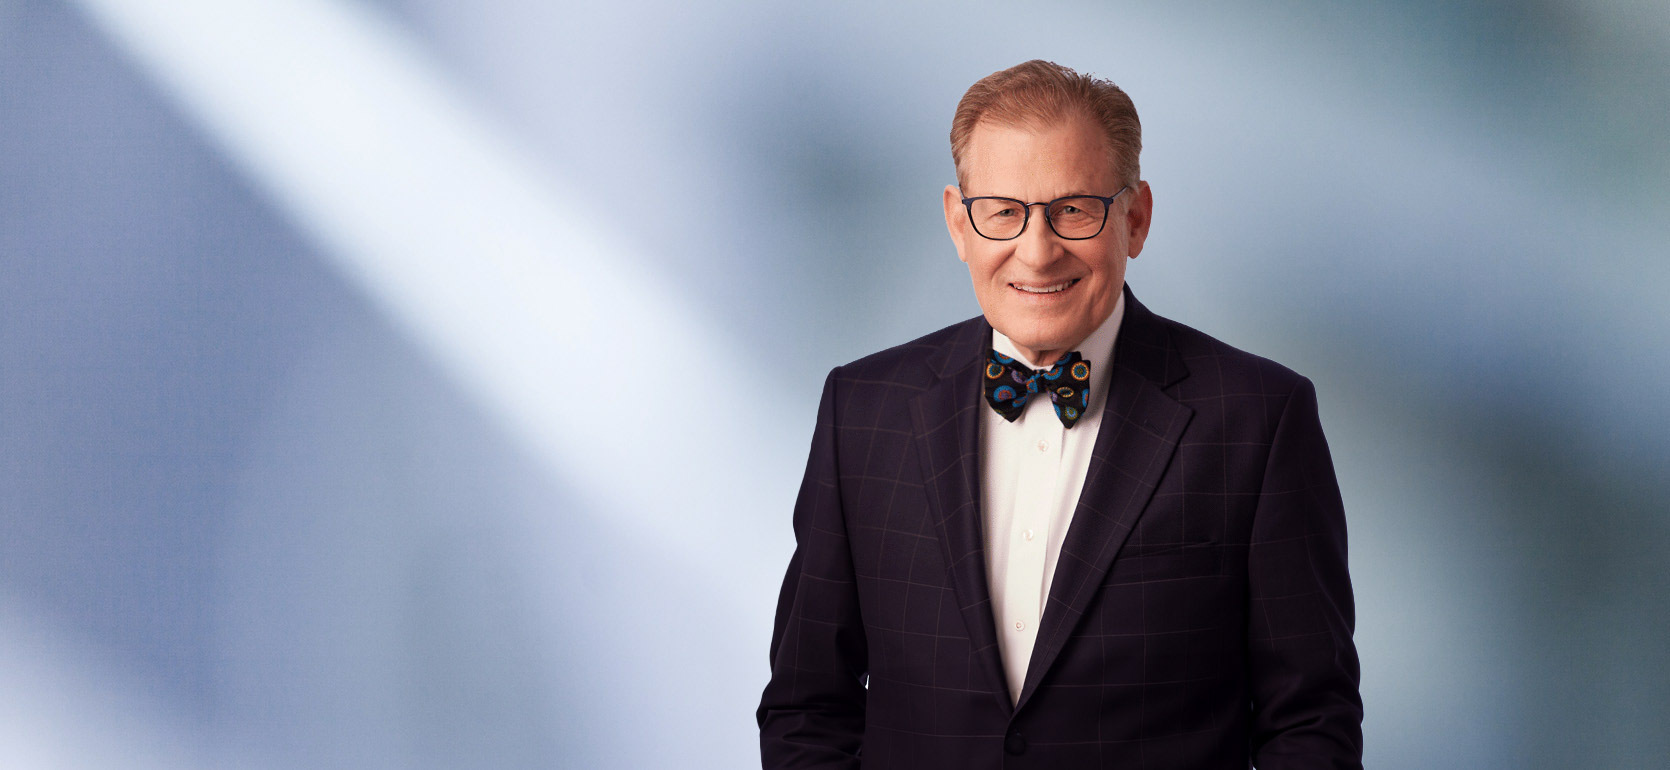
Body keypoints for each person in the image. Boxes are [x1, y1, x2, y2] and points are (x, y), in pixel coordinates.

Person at [757, 59, 1362, 769]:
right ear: (959, 222)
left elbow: (1312, 723)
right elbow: (807, 706)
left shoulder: (1259, 418)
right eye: (1003, 211)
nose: (1037, 252)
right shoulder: (863, 412)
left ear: (1133, 219)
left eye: (1073, 209)